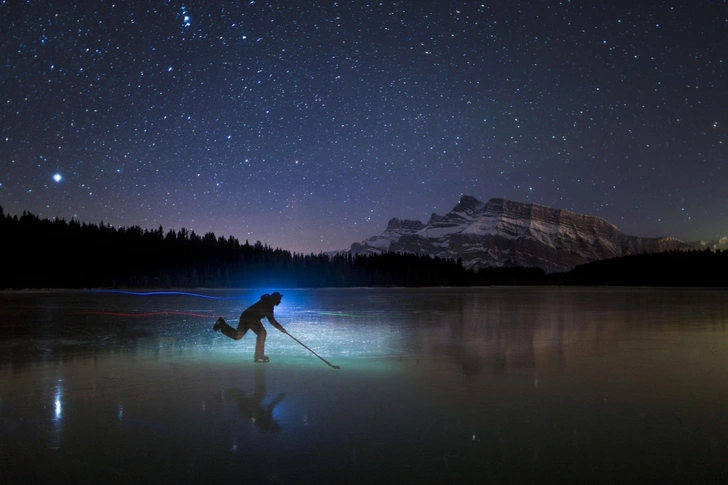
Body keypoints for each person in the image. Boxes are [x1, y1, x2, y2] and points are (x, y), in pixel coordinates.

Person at [213, 291, 287, 363]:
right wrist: (281, 329)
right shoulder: (268, 305)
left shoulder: (268, 303)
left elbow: (271, 320)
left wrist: (281, 329)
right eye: (279, 300)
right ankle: (259, 355)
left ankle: (222, 325)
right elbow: (272, 320)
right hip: (251, 319)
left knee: (237, 336)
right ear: (275, 299)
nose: (280, 302)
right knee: (262, 333)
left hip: (247, 317)